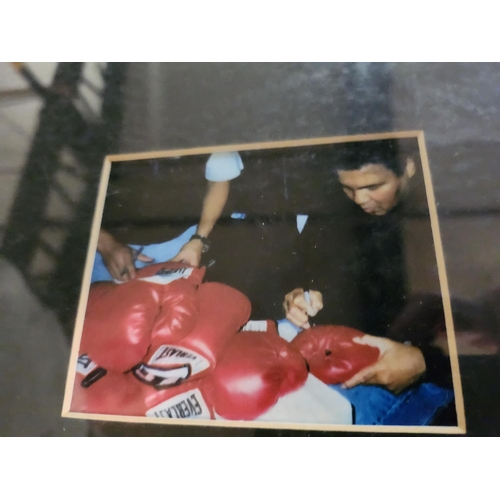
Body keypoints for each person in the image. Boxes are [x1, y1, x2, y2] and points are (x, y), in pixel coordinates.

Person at [282, 139, 452, 398]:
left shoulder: (448, 217)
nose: (360, 199)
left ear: (408, 166)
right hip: (357, 352)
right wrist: (300, 296)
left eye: (373, 186)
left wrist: (424, 361)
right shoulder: (333, 215)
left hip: (436, 371)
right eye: (347, 188)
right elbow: (307, 275)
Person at [92, 151, 243, 283]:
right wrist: (107, 245)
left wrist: (198, 240)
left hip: (186, 239)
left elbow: (219, 180)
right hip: (104, 241)